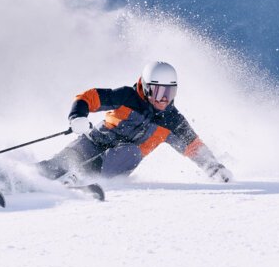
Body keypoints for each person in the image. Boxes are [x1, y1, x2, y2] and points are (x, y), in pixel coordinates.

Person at [36, 61, 233, 183]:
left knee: (131, 151)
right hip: (95, 141)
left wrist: (214, 168)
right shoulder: (127, 97)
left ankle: (83, 178)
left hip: (118, 161)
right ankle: (18, 180)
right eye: (159, 92)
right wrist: (77, 116)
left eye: (169, 93)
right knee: (60, 163)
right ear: (146, 88)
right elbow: (88, 97)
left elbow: (194, 147)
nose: (164, 99)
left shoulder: (172, 120)